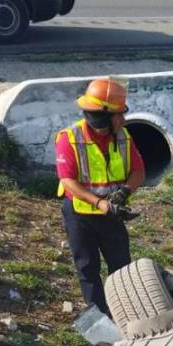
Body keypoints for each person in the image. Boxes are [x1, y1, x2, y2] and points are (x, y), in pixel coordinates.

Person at [55, 78, 145, 314]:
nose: (123, 119)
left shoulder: (124, 137)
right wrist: (99, 203)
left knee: (121, 266)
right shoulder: (69, 138)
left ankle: (126, 311)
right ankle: (99, 315)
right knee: (87, 267)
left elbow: (138, 171)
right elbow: (68, 181)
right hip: (80, 215)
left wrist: (124, 192)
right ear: (103, 118)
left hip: (111, 215)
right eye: (119, 115)